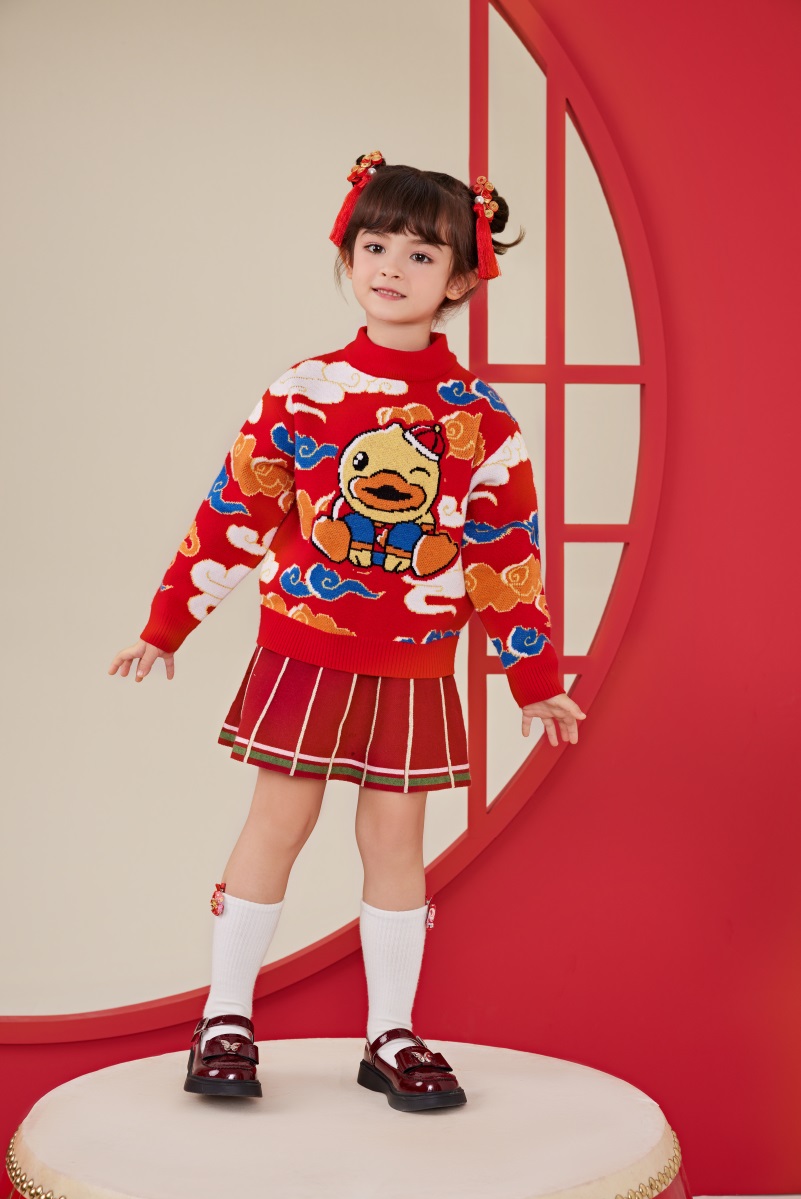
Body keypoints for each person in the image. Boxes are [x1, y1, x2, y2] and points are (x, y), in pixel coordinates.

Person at [108, 150, 586, 1113]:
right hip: (302, 650)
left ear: (460, 282)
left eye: (421, 255)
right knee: (276, 823)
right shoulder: (302, 389)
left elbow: (505, 555)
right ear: (347, 253)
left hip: (414, 666)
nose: (391, 268)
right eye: (375, 246)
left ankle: (389, 1032)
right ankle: (225, 1015)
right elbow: (235, 511)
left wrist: (533, 679)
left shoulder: (481, 420)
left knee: (396, 843)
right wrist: (168, 625)